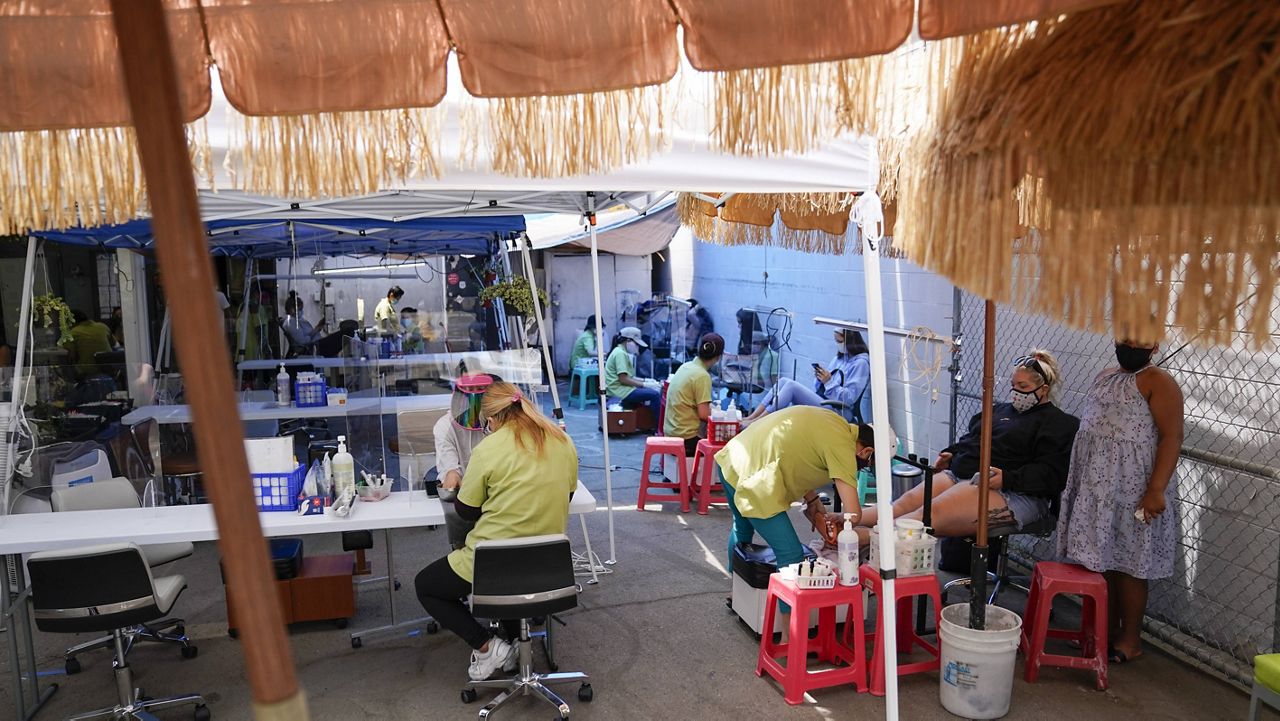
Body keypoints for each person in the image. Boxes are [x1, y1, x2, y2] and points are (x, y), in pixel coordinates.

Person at [414, 381, 578, 681]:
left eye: (485, 421)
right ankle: (518, 646)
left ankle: (488, 647)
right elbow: (566, 497)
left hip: (494, 565)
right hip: (548, 565)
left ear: (494, 418)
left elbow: (465, 510)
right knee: (512, 583)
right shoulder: (562, 440)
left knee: (426, 585)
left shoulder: (489, 448)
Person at [856, 350, 1080, 541]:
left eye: (1023, 386)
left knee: (928, 514)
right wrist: (951, 453)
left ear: (1044, 389)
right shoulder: (1000, 411)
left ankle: (866, 539)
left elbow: (1052, 474)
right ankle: (849, 519)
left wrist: (1008, 478)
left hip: (1015, 491)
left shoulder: (1058, 424)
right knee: (906, 503)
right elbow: (972, 439)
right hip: (967, 474)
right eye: (1013, 385)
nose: (1016, 393)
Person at [1055, 339, 1183, 665]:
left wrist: (1155, 489)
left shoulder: (1159, 381)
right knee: (1101, 561)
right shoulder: (1105, 375)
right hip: (1098, 489)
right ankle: (1103, 630)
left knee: (1129, 565)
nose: (1131, 343)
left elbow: (1172, 436)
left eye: (1140, 337)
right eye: (1125, 335)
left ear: (1154, 344)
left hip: (1133, 489)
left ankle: (1130, 638)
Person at [716, 405, 880, 569]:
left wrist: (812, 499)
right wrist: (838, 522)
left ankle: (737, 591)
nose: (862, 467)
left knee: (742, 530)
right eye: (868, 464)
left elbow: (798, 454)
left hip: (733, 458)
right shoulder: (844, 448)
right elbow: (853, 515)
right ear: (867, 451)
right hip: (754, 480)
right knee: (791, 555)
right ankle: (779, 595)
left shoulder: (835, 422)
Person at [744, 328, 870, 423]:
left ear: (850, 341)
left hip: (839, 410)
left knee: (791, 387)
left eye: (839, 341)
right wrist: (820, 378)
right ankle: (752, 417)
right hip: (825, 400)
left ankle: (757, 422)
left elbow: (849, 398)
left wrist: (829, 382)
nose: (837, 344)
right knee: (783, 381)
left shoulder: (861, 364)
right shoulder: (840, 358)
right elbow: (820, 387)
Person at [432, 374, 493, 550]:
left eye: (479, 391)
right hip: (467, 496)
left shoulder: (500, 422)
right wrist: (451, 473)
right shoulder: (445, 426)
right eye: (469, 391)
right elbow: (449, 467)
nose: (474, 397)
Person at [665, 333, 725, 456]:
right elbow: (703, 414)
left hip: (671, 431)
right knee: (726, 445)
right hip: (686, 437)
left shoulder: (686, 366)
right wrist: (722, 414)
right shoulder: (702, 376)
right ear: (718, 357)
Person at [604, 326, 662, 419]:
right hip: (620, 391)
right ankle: (658, 428)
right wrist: (644, 385)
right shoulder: (620, 354)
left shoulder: (621, 352)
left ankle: (646, 422)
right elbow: (623, 379)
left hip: (622, 389)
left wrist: (648, 381)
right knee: (655, 395)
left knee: (651, 391)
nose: (637, 347)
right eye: (636, 344)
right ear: (628, 341)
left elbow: (629, 376)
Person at [61, 310, 113, 379]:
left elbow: (71, 356)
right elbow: (113, 343)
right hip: (109, 371)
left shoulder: (73, 333)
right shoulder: (103, 327)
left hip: (87, 373)